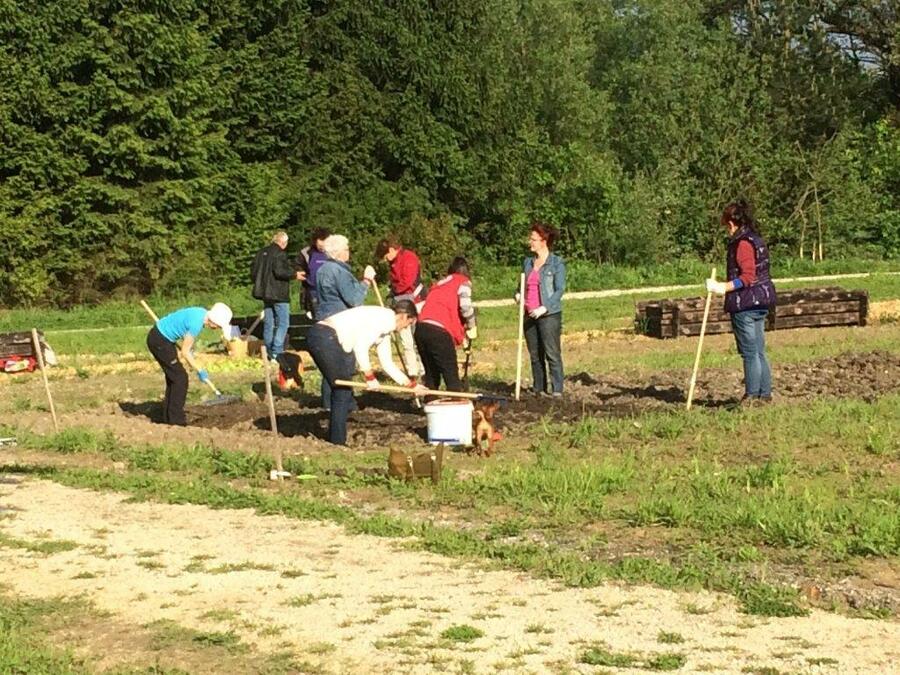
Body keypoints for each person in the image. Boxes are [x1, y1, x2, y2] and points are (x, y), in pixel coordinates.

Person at [306, 302, 427, 445]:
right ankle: (337, 442)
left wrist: (412, 385)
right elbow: (360, 347)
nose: (405, 328)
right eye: (408, 323)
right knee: (342, 390)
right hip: (324, 336)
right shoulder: (384, 319)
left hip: (328, 339)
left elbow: (388, 363)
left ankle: (336, 438)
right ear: (404, 316)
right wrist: (369, 376)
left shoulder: (385, 331)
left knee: (341, 390)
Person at [705, 199, 776, 405]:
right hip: (760, 301)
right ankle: (765, 394)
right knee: (759, 350)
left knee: (749, 352)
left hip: (746, 304)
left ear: (731, 224)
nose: (726, 231)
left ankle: (752, 395)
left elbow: (747, 277)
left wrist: (721, 287)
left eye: (726, 226)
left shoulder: (743, 243)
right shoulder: (756, 239)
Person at [313, 234, 377, 409]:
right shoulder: (339, 272)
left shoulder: (322, 270)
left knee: (329, 364)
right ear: (339, 252)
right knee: (345, 363)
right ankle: (345, 402)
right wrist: (366, 281)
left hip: (324, 317)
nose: (349, 252)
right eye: (347, 249)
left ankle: (328, 402)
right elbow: (354, 299)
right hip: (341, 320)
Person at [146, 303, 233, 426]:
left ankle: (168, 418)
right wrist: (199, 370)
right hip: (160, 342)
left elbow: (183, 331)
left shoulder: (201, 312)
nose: (217, 328)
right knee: (180, 379)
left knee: (174, 377)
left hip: (162, 338)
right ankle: (176, 421)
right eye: (218, 326)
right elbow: (185, 352)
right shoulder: (196, 324)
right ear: (213, 322)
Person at [415, 257, 477, 392]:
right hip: (439, 331)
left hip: (421, 329)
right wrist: (472, 325)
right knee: (451, 377)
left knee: (431, 376)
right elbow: (465, 307)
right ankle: (456, 407)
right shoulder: (463, 282)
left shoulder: (439, 284)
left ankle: (430, 405)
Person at [521, 222, 566, 397]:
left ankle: (557, 390)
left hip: (548, 315)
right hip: (528, 314)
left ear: (543, 241)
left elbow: (559, 289)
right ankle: (538, 388)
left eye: (533, 239)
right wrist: (518, 295)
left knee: (551, 353)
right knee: (534, 354)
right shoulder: (527, 263)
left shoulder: (556, 263)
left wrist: (544, 307)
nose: (529, 242)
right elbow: (521, 285)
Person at [375, 235, 425, 379]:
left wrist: (395, 291)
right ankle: (412, 372)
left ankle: (424, 370)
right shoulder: (393, 263)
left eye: (386, 256)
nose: (386, 260)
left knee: (418, 339)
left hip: (417, 302)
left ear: (391, 250)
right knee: (406, 340)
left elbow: (407, 282)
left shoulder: (409, 257)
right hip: (401, 303)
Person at [251, 231, 303, 361]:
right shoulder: (280, 253)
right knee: (283, 323)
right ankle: (277, 351)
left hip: (264, 293)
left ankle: (268, 351)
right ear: (283, 242)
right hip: (278, 294)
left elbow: (253, 272)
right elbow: (280, 271)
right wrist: (295, 275)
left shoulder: (260, 253)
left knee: (269, 322)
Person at [295, 227, 331, 318]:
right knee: (318, 320)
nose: (322, 248)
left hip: (330, 292)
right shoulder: (306, 252)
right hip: (312, 292)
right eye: (320, 246)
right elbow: (297, 265)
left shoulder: (333, 252)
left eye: (324, 246)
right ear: (315, 241)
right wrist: (302, 274)